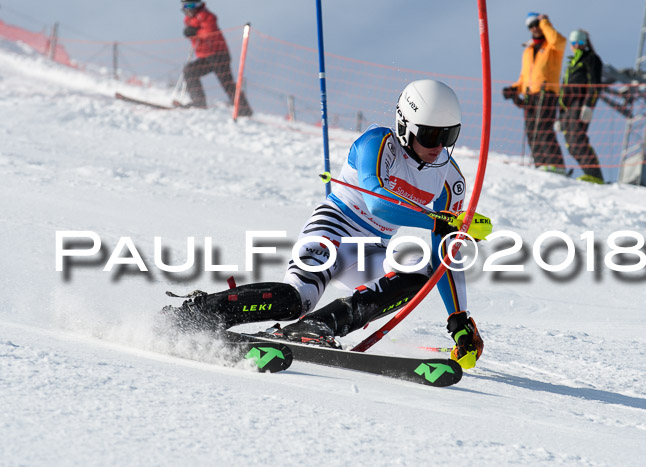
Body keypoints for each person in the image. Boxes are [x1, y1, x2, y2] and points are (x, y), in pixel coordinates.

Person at [164, 80, 489, 369]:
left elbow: (445, 251)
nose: (438, 146)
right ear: (405, 125)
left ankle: (317, 327)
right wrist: (437, 221)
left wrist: (459, 319)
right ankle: (200, 312)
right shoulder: (377, 142)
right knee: (296, 299)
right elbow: (377, 202)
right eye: (431, 134)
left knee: (420, 271)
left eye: (449, 136)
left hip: (371, 249)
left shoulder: (450, 180)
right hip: (333, 228)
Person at [503, 12, 566, 173]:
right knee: (532, 131)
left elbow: (558, 41)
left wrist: (545, 22)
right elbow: (524, 77)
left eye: (536, 24)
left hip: (547, 92)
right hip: (531, 95)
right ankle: (541, 164)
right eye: (531, 26)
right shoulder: (528, 51)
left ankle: (556, 165)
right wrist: (514, 88)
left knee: (544, 128)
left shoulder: (552, 46)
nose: (534, 28)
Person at [180, 0, 253, 115]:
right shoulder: (189, 20)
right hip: (205, 57)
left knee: (227, 83)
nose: (188, 8)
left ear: (197, 5)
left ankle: (244, 110)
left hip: (219, 55)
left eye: (190, 5)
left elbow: (209, 32)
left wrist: (195, 32)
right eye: (185, 6)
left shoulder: (207, 16)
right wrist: (190, 32)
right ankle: (198, 102)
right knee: (190, 71)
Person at [557, 29, 604, 184]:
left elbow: (595, 84)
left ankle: (594, 174)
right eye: (574, 43)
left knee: (578, 137)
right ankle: (589, 173)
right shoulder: (570, 63)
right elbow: (563, 87)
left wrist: (588, 105)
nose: (577, 45)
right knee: (570, 142)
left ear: (585, 43)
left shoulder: (591, 59)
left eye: (580, 42)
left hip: (580, 102)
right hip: (567, 106)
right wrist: (559, 114)